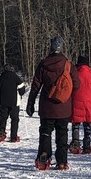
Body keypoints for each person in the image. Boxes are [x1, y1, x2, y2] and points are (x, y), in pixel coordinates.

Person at [26, 36, 80, 171]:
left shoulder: (43, 64)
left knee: (45, 132)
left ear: (50, 47)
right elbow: (77, 85)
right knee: (62, 133)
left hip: (47, 107)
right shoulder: (68, 65)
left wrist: (30, 103)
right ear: (62, 48)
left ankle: (44, 156)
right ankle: (62, 162)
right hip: (63, 106)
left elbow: (35, 86)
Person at [0, 63, 26, 142]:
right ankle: (13, 136)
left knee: (3, 118)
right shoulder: (16, 78)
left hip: (2, 103)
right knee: (14, 119)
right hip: (15, 103)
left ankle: (1, 133)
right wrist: (20, 93)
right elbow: (22, 90)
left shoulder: (0, 78)